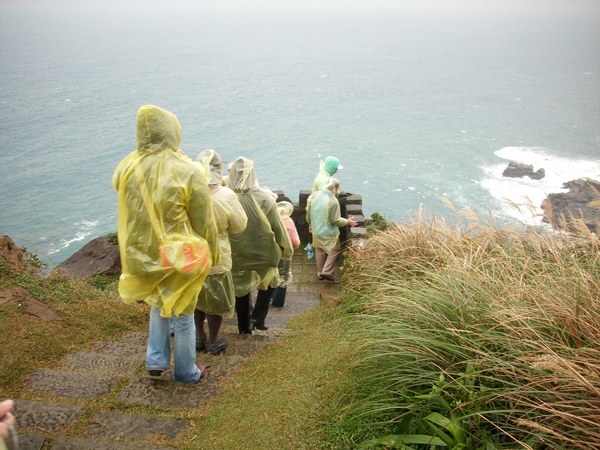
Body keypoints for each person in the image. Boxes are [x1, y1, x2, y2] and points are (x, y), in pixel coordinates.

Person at [112, 105, 220, 383]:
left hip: (142, 251)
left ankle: (156, 361)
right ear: (173, 131)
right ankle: (186, 371)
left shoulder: (127, 165)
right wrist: (213, 254)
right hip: (180, 251)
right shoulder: (188, 170)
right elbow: (203, 220)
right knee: (183, 311)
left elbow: (118, 186)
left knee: (158, 303)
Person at [227, 156, 294, 333]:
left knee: (240, 289)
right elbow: (277, 227)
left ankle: (243, 326)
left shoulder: (226, 198)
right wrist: (287, 248)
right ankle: (258, 316)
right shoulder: (265, 199)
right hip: (264, 252)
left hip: (236, 254)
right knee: (271, 282)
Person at [194, 150, 247, 355]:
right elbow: (239, 226)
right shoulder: (226, 195)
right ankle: (213, 341)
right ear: (219, 169)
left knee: (196, 298)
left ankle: (199, 337)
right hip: (217, 257)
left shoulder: (188, 192)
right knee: (215, 302)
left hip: (191, 257)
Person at [306, 177, 357, 282]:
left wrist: (310, 224)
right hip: (329, 232)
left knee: (319, 249)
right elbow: (335, 220)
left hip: (316, 229)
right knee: (335, 249)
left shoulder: (314, 195)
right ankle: (327, 271)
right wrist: (347, 221)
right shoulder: (333, 201)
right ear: (336, 188)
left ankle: (320, 273)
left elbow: (309, 212)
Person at [271, 197, 300, 307]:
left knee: (271, 275)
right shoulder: (288, 222)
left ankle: (268, 297)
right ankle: (278, 302)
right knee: (283, 276)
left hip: (271, 253)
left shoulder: (271, 219)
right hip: (284, 255)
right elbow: (295, 242)